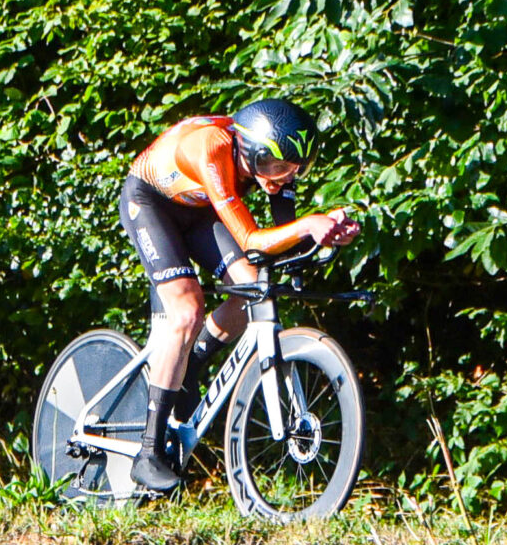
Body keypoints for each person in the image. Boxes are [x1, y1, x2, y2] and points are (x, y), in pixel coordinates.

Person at [117, 98, 360, 493]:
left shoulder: (272, 158)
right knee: (187, 310)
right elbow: (251, 239)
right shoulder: (211, 148)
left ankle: (192, 362)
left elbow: (285, 242)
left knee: (253, 290)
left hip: (200, 209)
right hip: (151, 203)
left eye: (294, 170)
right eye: (276, 167)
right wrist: (308, 225)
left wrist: (327, 233)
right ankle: (148, 452)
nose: (283, 178)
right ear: (252, 151)